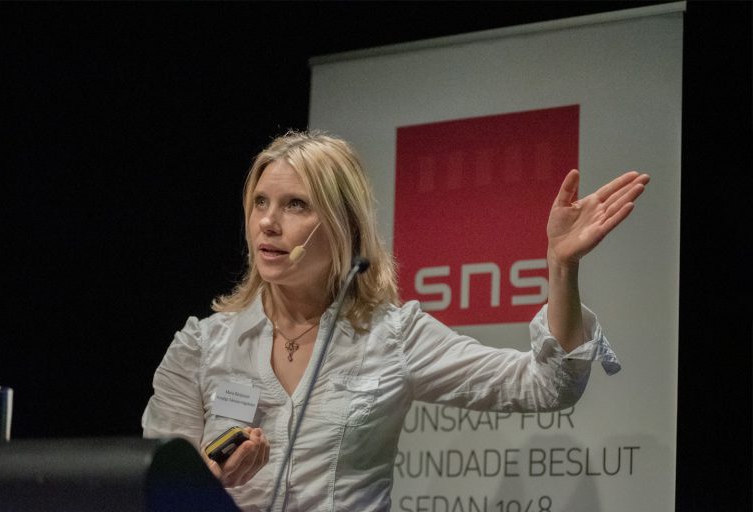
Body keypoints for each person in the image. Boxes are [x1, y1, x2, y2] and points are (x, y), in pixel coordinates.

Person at [142, 130, 649, 511]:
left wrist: (561, 266)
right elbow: (151, 486)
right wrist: (210, 481)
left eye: (295, 205)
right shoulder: (201, 346)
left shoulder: (394, 337)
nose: (268, 223)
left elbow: (547, 385)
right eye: (259, 203)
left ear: (343, 224)